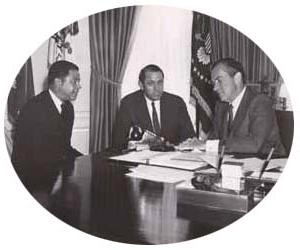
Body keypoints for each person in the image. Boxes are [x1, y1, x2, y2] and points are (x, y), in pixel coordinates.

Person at [11, 60, 83, 193]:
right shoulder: (33, 109)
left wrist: (87, 160)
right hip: (32, 183)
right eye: (74, 82)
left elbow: (64, 147)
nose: (79, 86)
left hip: (55, 177)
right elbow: (30, 158)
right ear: (58, 83)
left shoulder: (68, 108)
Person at [209, 58, 286, 156]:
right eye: (213, 83)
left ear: (237, 78)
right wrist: (197, 144)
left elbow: (254, 144)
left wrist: (212, 145)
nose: (215, 88)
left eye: (219, 80)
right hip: (234, 164)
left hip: (268, 165)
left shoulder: (260, 102)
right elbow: (214, 138)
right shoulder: (221, 106)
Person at [112, 64, 195, 149]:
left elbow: (190, 137)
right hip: (141, 158)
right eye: (150, 83)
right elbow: (118, 142)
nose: (157, 88)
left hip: (172, 157)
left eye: (160, 82)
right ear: (141, 85)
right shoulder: (129, 104)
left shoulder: (177, 103)